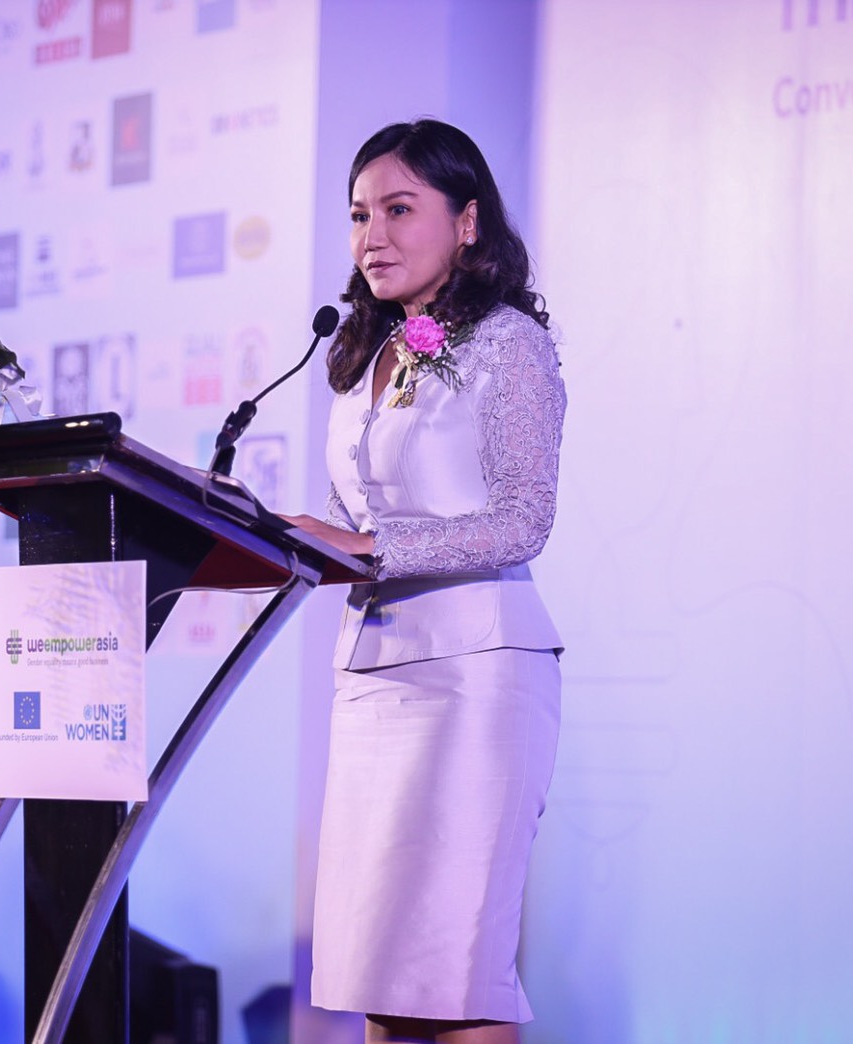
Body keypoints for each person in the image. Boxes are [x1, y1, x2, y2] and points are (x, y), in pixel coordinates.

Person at [282, 119, 566, 1044]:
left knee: (453, 974)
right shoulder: (363, 357)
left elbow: (524, 520)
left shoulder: (508, 345)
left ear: (467, 221)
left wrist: (369, 548)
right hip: (373, 680)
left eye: (400, 210)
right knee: (387, 976)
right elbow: (350, 517)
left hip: (474, 679)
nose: (373, 235)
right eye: (359, 214)